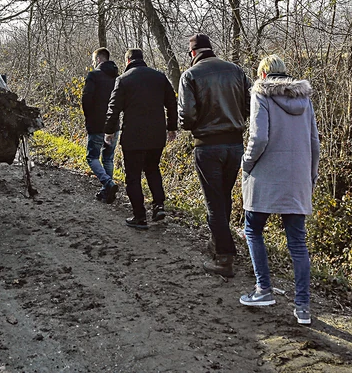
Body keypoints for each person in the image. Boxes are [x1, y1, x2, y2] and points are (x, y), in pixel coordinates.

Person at [237, 55, 319, 326]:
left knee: (253, 229)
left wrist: (246, 163)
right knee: (297, 243)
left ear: (262, 74)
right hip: (297, 179)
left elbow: (258, 137)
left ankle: (263, 289)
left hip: (265, 176)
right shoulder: (304, 99)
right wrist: (311, 176)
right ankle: (303, 307)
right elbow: (314, 142)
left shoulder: (260, 93)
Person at [177, 33, 251, 277]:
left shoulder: (190, 75)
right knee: (224, 197)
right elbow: (249, 106)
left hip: (208, 145)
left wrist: (197, 124)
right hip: (235, 145)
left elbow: (186, 117)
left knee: (214, 202)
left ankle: (224, 257)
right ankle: (218, 241)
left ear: (193, 53)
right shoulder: (236, 71)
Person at [104, 48, 177, 230]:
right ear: (142, 59)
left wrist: (109, 131)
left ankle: (140, 216)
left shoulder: (123, 80)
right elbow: (172, 103)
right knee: (153, 170)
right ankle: (158, 206)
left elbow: (114, 108)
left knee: (133, 176)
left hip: (133, 136)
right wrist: (172, 127)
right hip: (157, 135)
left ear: (128, 60)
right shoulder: (159, 77)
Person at [81, 47, 120, 203]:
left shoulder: (93, 75)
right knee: (108, 158)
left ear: (98, 59)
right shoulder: (118, 77)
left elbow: (86, 99)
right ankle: (107, 192)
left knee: (92, 157)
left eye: (93, 60)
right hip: (114, 124)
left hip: (97, 124)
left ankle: (108, 183)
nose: (93, 63)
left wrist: (89, 117)